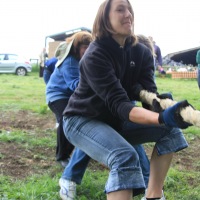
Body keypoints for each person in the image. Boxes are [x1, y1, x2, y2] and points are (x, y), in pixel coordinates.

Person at [61, 0, 191, 200]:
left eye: (129, 9)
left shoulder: (142, 52)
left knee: (170, 132)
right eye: (120, 9)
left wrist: (162, 108)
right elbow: (121, 105)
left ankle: (154, 196)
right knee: (124, 155)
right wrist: (162, 118)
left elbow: (149, 97)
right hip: (82, 120)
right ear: (105, 18)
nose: (128, 14)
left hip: (116, 121)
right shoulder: (95, 55)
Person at [45, 31, 93, 168]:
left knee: (81, 117)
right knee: (67, 117)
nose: (88, 50)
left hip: (71, 95)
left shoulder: (83, 60)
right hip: (57, 95)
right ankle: (62, 156)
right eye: (85, 47)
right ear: (76, 47)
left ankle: (78, 151)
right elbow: (75, 84)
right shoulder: (70, 61)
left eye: (90, 46)